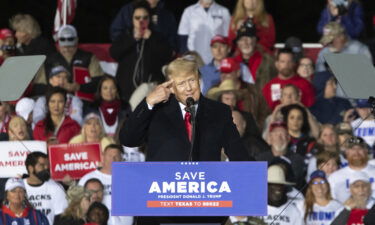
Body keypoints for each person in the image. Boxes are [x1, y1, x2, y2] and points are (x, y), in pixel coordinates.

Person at [120, 56, 249, 224]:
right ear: (171, 87)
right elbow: (128, 139)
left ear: (200, 80)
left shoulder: (219, 112)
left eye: (192, 81)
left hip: (204, 210)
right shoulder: (155, 111)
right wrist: (148, 102)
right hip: (160, 211)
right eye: (181, 84)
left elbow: (239, 155)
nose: (188, 88)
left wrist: (256, 179)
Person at [110, 2, 172, 102]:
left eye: (145, 18)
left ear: (149, 19)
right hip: (126, 90)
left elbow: (167, 54)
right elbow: (114, 53)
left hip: (149, 89)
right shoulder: (125, 35)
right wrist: (132, 39)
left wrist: (151, 39)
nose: (141, 21)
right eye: (137, 18)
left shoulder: (157, 36)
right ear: (132, 19)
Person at [44, 25, 104, 102]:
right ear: (58, 44)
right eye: (63, 47)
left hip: (84, 101)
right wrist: (56, 86)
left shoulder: (88, 57)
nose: (66, 49)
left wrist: (79, 87)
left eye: (70, 46)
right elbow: (41, 85)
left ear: (76, 41)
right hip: (57, 102)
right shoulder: (50, 59)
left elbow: (99, 82)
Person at [207, 58, 270, 129]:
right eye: (222, 72)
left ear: (238, 73)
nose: (223, 75)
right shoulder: (213, 92)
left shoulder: (252, 90)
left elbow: (263, 111)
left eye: (228, 72)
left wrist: (255, 128)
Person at [78, 144, 133, 225]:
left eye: (116, 156)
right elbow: (77, 206)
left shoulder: (130, 179)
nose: (113, 159)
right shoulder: (87, 178)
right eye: (109, 155)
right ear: (103, 156)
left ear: (121, 158)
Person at [230, 165, 303, 224]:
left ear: (284, 187)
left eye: (280, 185)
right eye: (272, 184)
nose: (277, 188)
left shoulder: (294, 210)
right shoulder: (251, 207)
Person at [110, 0, 178, 51]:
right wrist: (132, 37)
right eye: (137, 18)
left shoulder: (167, 15)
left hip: (158, 61)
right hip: (132, 58)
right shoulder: (128, 10)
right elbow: (116, 34)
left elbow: (172, 41)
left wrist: (171, 51)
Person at [256, 121, 305, 188]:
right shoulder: (260, 159)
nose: (279, 138)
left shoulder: (297, 159)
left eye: (282, 134)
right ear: (270, 139)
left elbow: (296, 181)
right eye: (276, 135)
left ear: (288, 138)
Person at [23, 152, 68, 225]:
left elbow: (61, 216)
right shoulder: (19, 187)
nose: (46, 168)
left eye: (47, 165)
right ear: (30, 168)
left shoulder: (56, 187)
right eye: (42, 165)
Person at [233, 18, 277, 91]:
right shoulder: (233, 63)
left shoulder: (267, 61)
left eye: (248, 38)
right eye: (241, 39)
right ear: (237, 43)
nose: (245, 42)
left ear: (255, 40)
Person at [328, 136, 375, 203]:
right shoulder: (335, 177)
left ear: (366, 150)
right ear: (346, 152)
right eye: (352, 149)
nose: (356, 153)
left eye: (360, 148)